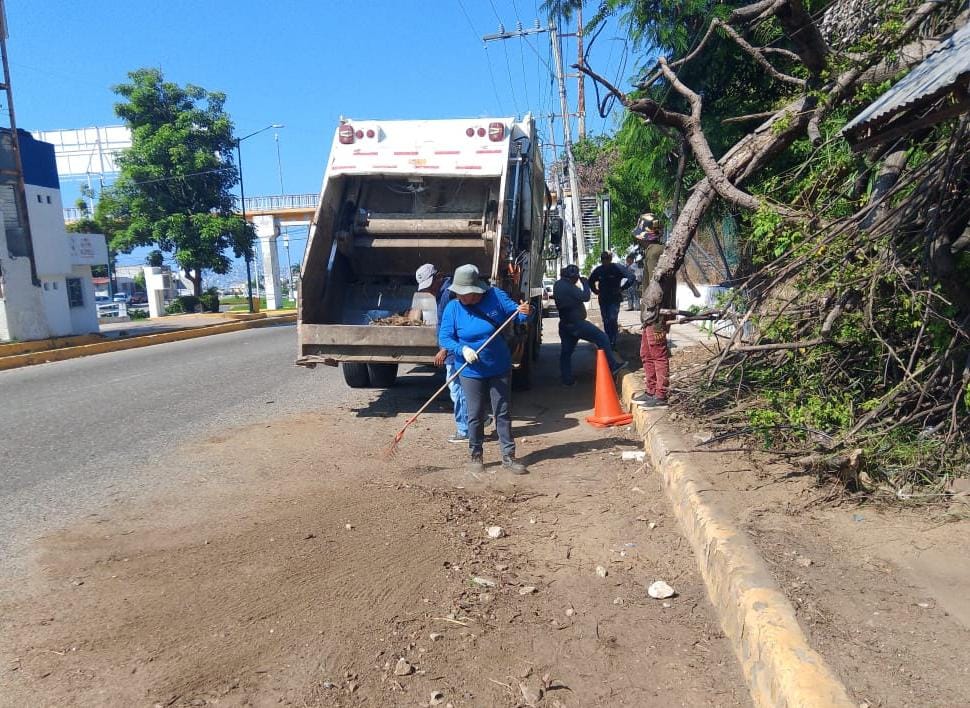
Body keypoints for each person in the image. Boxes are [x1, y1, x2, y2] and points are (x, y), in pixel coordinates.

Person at [438, 264, 531, 475]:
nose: (461, 296)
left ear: (476, 290)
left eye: (465, 293)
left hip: (499, 366)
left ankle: (508, 456)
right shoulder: (453, 308)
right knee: (475, 414)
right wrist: (461, 349)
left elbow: (518, 316)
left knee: (503, 412)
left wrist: (525, 312)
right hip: (471, 370)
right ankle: (476, 455)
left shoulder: (495, 296)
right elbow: (444, 338)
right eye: (458, 292)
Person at [414, 263, 468, 444]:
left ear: (438, 277)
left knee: (457, 390)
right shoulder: (444, 292)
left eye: (430, 285)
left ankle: (465, 429)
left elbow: (453, 324)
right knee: (461, 389)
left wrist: (444, 349)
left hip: (454, 351)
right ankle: (478, 419)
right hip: (455, 350)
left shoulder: (448, 295)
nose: (428, 290)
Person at [553, 264, 627, 387]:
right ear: (573, 277)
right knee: (602, 338)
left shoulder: (558, 285)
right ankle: (612, 365)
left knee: (566, 352)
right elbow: (586, 297)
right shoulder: (568, 286)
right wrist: (585, 284)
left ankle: (567, 379)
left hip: (565, 323)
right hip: (577, 323)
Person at [631, 213, 674, 407]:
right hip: (650, 312)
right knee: (646, 353)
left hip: (655, 312)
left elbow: (655, 287)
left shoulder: (655, 252)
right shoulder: (654, 250)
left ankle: (660, 394)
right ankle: (651, 390)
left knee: (657, 353)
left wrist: (652, 312)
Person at [588, 251, 635, 349]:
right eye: (602, 259)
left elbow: (631, 277)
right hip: (603, 299)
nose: (604, 260)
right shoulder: (599, 270)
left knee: (612, 319)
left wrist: (622, 288)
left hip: (614, 299)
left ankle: (613, 341)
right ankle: (609, 340)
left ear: (610, 259)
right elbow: (590, 281)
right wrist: (595, 291)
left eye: (606, 258)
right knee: (606, 320)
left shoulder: (617, 268)